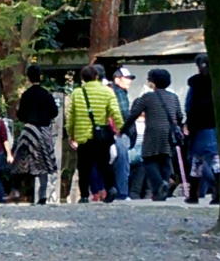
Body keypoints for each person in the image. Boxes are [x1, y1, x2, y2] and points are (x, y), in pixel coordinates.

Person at [65, 65, 119, 202]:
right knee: (105, 163)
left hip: (83, 136)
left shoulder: (77, 93)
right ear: (96, 76)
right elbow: (115, 112)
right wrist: (120, 129)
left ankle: (84, 195)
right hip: (102, 136)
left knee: (84, 166)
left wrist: (71, 134)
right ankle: (111, 188)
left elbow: (71, 116)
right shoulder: (107, 91)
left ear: (82, 78)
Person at [129, 68, 181, 200]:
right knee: (165, 159)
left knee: (149, 160)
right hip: (168, 134)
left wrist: (123, 129)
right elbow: (179, 116)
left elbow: (134, 114)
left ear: (153, 82)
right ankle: (163, 188)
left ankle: (159, 185)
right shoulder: (174, 97)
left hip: (152, 133)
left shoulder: (147, 97)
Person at [12, 64, 57, 204]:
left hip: (29, 131)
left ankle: (19, 190)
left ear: (28, 78)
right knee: (43, 162)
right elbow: (54, 112)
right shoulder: (46, 94)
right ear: (40, 77)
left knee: (21, 160)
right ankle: (42, 195)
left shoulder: (26, 95)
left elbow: (20, 115)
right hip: (43, 131)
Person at [184, 54, 219, 203]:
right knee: (216, 160)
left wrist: (189, 123)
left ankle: (194, 193)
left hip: (199, 126)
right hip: (216, 124)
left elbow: (189, 105)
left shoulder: (195, 84)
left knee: (197, 159)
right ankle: (219, 193)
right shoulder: (219, 82)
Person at [109, 67, 134, 198]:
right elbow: (124, 113)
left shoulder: (112, 90)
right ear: (117, 79)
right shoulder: (119, 92)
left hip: (108, 132)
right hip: (118, 132)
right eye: (127, 78)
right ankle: (122, 193)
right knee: (122, 163)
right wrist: (130, 130)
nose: (129, 81)